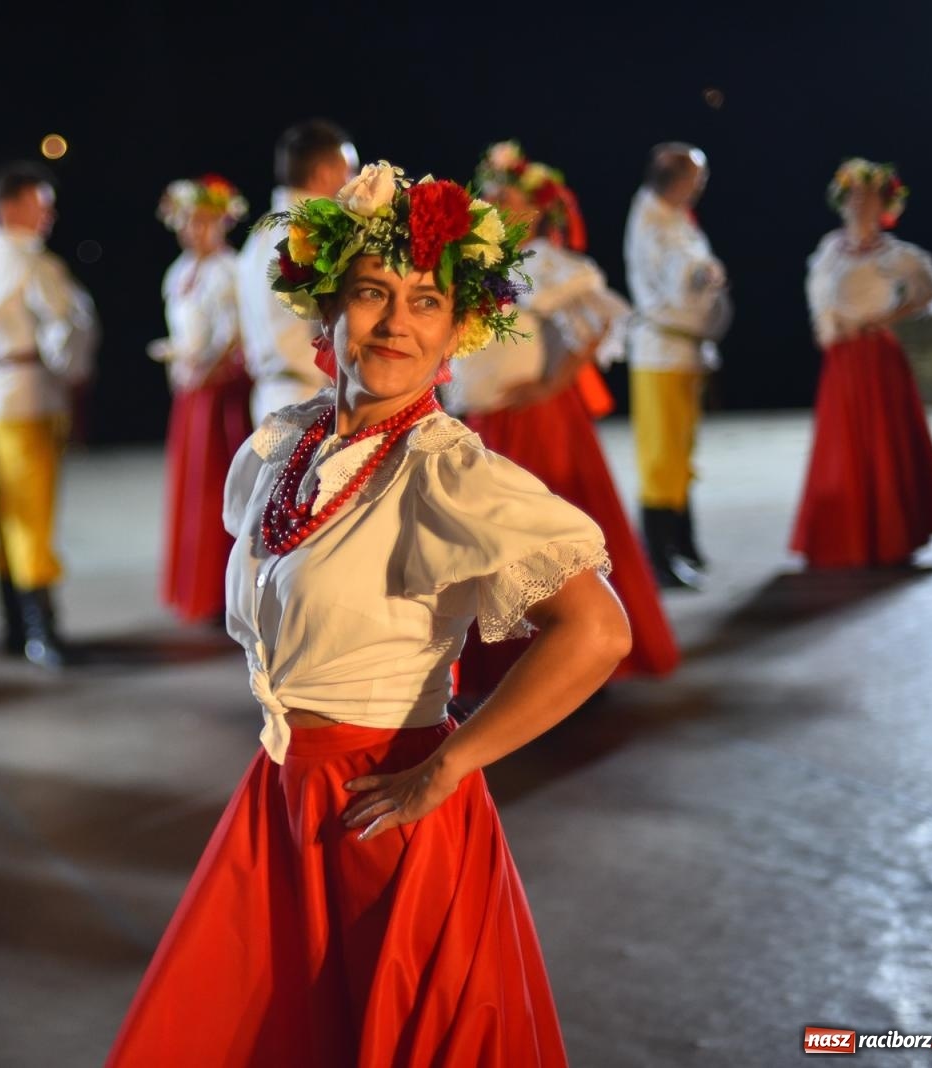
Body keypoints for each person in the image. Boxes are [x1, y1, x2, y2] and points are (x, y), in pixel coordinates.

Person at [107, 161, 632, 1067]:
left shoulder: (445, 470)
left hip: (384, 814)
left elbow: (598, 629)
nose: (396, 322)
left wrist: (453, 762)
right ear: (327, 312)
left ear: (458, 329)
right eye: (371, 293)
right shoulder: (287, 445)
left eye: (426, 301)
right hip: (282, 799)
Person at [450, 142, 678, 701]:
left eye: (508, 199)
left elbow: (596, 323)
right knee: (489, 540)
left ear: (536, 210)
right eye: (492, 197)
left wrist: (553, 383)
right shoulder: (478, 261)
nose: (497, 206)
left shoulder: (546, 264)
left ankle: (574, 656)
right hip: (484, 422)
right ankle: (496, 669)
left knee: (548, 538)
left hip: (537, 420)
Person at [0, 161, 98, 668]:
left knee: (8, 506)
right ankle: (41, 629)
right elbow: (67, 326)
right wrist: (70, 369)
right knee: (32, 508)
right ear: (10, 206)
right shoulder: (34, 263)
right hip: (32, 387)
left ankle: (15, 624)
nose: (48, 214)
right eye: (40, 204)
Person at [791, 158, 932, 567]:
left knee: (884, 443)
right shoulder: (831, 249)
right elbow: (818, 293)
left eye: (868, 198)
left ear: (883, 205)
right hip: (842, 355)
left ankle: (890, 537)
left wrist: (889, 316)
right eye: (853, 197)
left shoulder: (893, 253)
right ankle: (846, 536)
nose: (859, 205)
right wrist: (825, 327)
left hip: (876, 353)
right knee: (843, 443)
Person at [623, 142, 731, 588]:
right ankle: (659, 555)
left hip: (683, 351)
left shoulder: (672, 214)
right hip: (661, 352)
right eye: (696, 178)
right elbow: (676, 276)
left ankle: (683, 541)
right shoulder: (652, 220)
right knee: (661, 456)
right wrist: (703, 272)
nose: (700, 186)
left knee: (681, 453)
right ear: (680, 179)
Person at [150, 174, 251, 624]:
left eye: (206, 221)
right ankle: (194, 588)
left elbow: (235, 333)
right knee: (190, 484)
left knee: (216, 486)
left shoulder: (229, 270)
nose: (196, 230)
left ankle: (221, 591)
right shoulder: (179, 271)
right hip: (192, 386)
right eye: (190, 221)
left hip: (221, 389)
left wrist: (208, 370)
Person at [237, 119, 357, 424]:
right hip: (310, 395)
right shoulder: (317, 230)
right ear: (324, 173)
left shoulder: (258, 234)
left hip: (267, 395)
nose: (354, 182)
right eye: (349, 171)